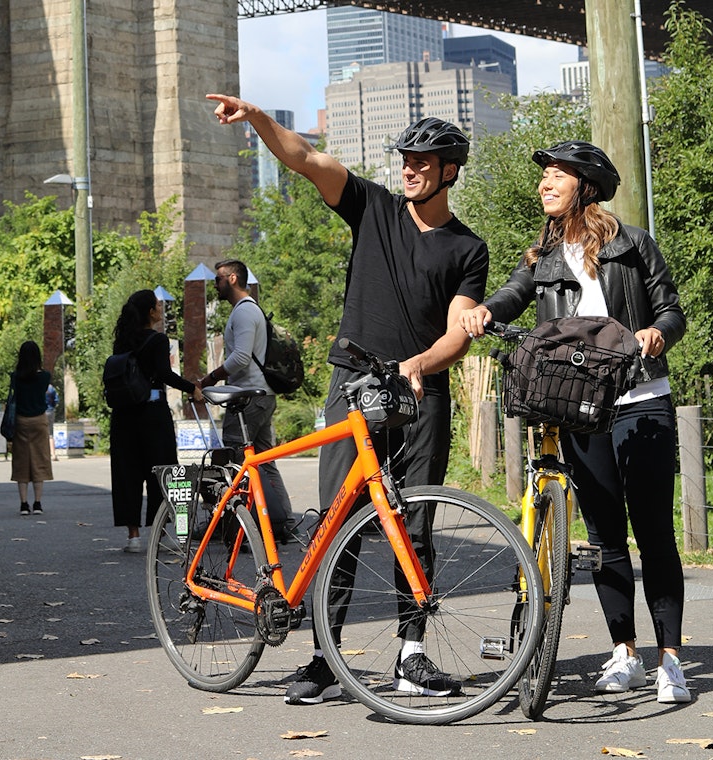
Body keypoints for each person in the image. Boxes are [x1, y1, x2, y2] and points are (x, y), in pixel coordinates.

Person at [207, 95, 488, 705]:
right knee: (339, 523)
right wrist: (257, 115)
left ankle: (412, 655)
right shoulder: (373, 207)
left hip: (422, 393)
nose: (410, 167)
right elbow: (305, 156)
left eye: (424, 160)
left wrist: (419, 364)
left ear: (450, 170)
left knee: (414, 524)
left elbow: (457, 331)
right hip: (354, 384)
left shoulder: (468, 249)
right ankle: (324, 656)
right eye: (407, 158)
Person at [457, 140, 690, 704]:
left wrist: (659, 333)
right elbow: (516, 293)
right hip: (582, 407)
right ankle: (625, 654)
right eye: (545, 177)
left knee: (655, 534)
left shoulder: (633, 245)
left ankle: (671, 661)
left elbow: (671, 309)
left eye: (556, 175)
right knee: (606, 536)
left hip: (642, 399)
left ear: (584, 184)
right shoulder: (543, 257)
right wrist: (486, 309)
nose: (544, 184)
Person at [199, 259, 297, 543]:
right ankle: (285, 524)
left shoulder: (243, 313)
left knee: (233, 464)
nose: (214, 284)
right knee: (266, 463)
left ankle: (235, 528)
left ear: (231, 279)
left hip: (247, 401)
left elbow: (241, 357)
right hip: (262, 396)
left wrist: (210, 379)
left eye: (217, 279)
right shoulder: (251, 309)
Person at [109, 289, 204, 553]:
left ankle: (133, 536)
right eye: (158, 306)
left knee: (127, 472)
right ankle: (157, 532)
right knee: (162, 472)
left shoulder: (122, 340)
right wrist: (191, 388)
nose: (160, 310)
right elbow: (164, 373)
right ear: (151, 312)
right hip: (152, 414)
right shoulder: (157, 340)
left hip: (124, 414)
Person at [9, 341, 53, 516]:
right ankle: (38, 503)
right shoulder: (45, 377)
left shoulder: (15, 376)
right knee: (39, 459)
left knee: (21, 461)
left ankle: (23, 504)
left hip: (20, 421)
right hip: (39, 420)